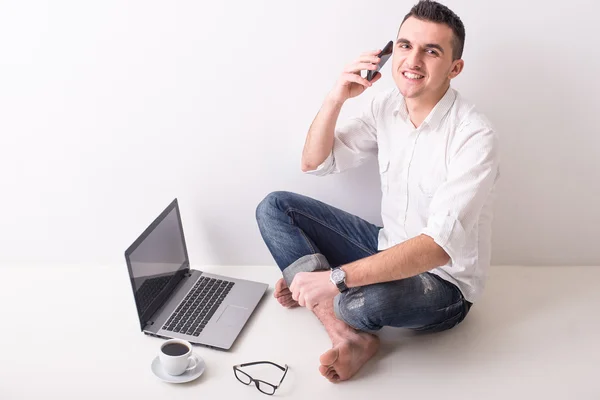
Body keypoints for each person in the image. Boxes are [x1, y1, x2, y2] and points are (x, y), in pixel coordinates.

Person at [255, 0, 500, 383]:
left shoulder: (474, 136)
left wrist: (329, 279)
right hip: (387, 245)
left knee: (358, 303)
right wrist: (337, 95)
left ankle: (327, 302)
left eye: (431, 51)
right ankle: (348, 335)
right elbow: (314, 162)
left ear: (455, 68)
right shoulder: (386, 107)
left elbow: (437, 246)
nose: (412, 60)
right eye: (404, 45)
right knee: (276, 207)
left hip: (444, 285)